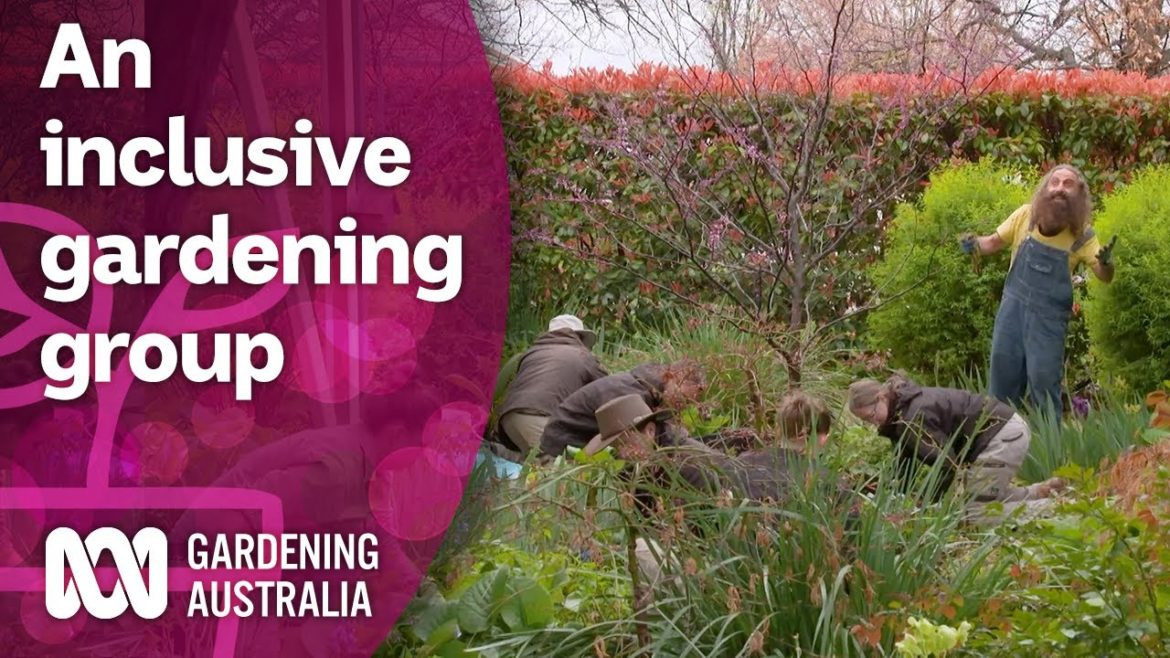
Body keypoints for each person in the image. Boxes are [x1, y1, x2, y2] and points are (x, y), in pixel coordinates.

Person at [959, 164, 1117, 414]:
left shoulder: (1082, 235)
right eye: (1055, 182)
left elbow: (1103, 275)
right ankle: (996, 445)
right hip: (1011, 314)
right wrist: (972, 244)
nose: (1060, 189)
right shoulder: (1025, 216)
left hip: (1048, 323)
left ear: (1079, 193)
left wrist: (1107, 263)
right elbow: (992, 243)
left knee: (1044, 387)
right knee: (1001, 384)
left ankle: (1047, 450)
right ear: (1045, 188)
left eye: (1068, 184)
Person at [847, 375, 1065, 522]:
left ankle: (1055, 509)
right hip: (1004, 429)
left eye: (871, 416)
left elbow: (946, 464)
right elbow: (905, 463)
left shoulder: (912, 418)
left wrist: (930, 503)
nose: (873, 423)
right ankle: (1039, 492)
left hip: (1000, 438)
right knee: (980, 498)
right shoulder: (902, 412)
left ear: (881, 397)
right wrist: (880, 488)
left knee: (977, 513)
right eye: (867, 422)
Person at [539, 360, 705, 457]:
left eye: (687, 404)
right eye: (682, 399)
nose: (681, 406)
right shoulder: (630, 392)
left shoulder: (648, 389)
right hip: (559, 448)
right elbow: (632, 438)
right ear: (669, 377)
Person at [494, 314, 607, 454]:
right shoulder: (582, 355)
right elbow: (607, 389)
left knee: (533, 467)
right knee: (557, 468)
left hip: (509, 419)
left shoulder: (532, 353)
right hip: (538, 417)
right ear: (579, 337)